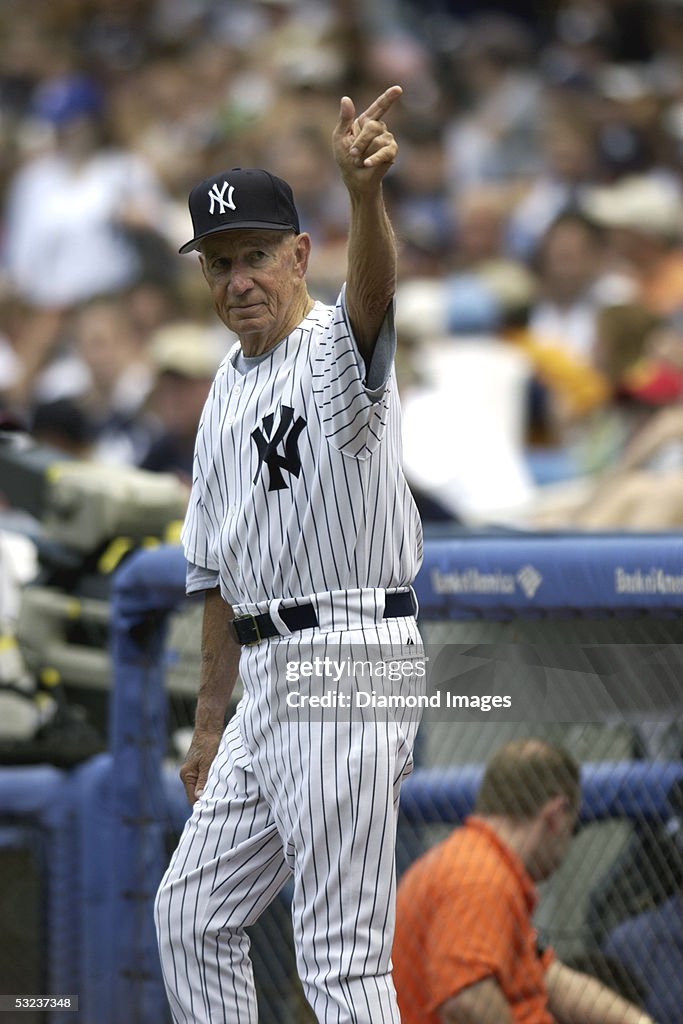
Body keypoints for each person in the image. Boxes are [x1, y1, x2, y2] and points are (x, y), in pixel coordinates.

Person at [154, 85, 424, 1023]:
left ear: (299, 254)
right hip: (263, 674)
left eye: (257, 255)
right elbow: (219, 580)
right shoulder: (224, 387)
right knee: (191, 914)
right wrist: (207, 722)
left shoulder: (330, 349)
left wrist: (363, 198)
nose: (238, 280)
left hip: (350, 654)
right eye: (220, 263)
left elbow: (375, 298)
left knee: (341, 960)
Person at [392, 738, 656, 1024]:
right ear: (555, 816)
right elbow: (467, 1000)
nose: (567, 844)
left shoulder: (484, 864)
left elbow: (551, 979)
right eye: (572, 828)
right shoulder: (478, 876)